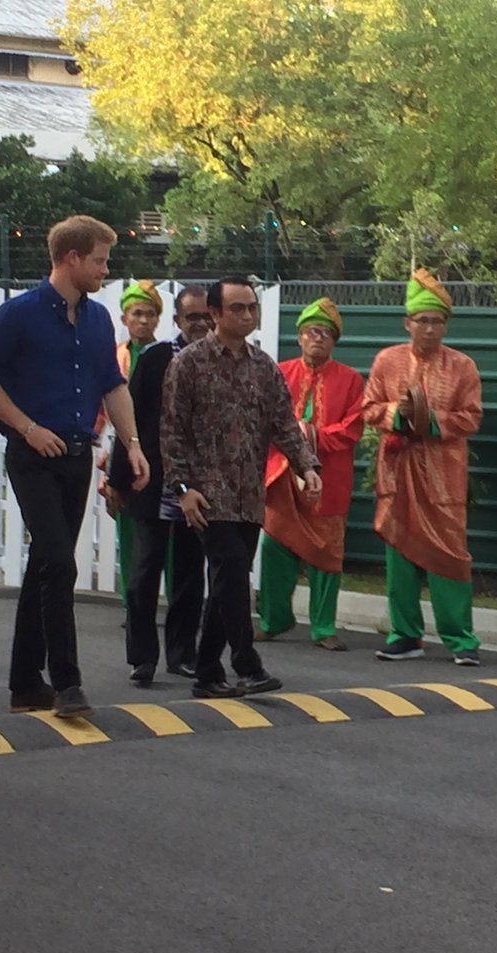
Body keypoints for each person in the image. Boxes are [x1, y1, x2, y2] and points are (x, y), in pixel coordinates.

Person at [0, 214, 149, 719]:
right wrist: (26, 427)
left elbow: (113, 385)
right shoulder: (20, 314)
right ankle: (67, 683)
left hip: (77, 456)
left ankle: (26, 682)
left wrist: (131, 444)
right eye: (99, 260)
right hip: (32, 455)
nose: (104, 270)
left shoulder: (96, 319)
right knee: (59, 560)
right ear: (71, 258)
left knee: (46, 565)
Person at [161, 276, 321, 698]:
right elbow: (172, 433)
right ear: (214, 314)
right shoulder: (188, 364)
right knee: (231, 569)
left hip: (249, 493)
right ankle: (246, 662)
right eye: (237, 308)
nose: (247, 315)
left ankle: (208, 672)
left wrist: (307, 466)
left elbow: (284, 424)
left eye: (251, 307)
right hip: (206, 495)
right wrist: (182, 487)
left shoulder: (263, 366)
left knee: (229, 578)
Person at [362, 269, 483, 665]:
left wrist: (430, 422)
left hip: (443, 476)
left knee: (450, 553)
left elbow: (471, 418)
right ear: (407, 322)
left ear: (445, 325)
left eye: (437, 321)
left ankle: (460, 640)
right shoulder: (387, 360)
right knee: (399, 552)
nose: (429, 329)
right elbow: (369, 408)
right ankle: (405, 635)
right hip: (397, 472)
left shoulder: (463, 366)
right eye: (422, 321)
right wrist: (399, 415)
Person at [108, 285, 212, 685]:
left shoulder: (220, 362)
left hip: (199, 484)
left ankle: (182, 654)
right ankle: (142, 658)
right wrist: (119, 479)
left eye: (206, 316)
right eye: (192, 318)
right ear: (177, 322)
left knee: (189, 572)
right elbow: (128, 423)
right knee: (143, 572)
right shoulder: (155, 359)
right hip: (152, 479)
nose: (200, 324)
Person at [256, 298, 364, 651]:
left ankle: (323, 628)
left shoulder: (350, 380)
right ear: (300, 337)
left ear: (334, 342)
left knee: (327, 552)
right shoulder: (280, 372)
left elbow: (353, 427)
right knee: (274, 545)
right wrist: (292, 441)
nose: (318, 338)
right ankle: (273, 620)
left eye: (326, 334)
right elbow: (263, 419)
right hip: (282, 476)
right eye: (311, 332)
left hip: (329, 478)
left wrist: (312, 436)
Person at [100, 280, 162, 609]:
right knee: (126, 526)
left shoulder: (166, 355)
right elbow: (100, 403)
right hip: (120, 451)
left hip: (156, 453)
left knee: (157, 531)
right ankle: (133, 602)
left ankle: (154, 600)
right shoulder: (114, 356)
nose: (143, 320)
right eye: (137, 313)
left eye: (150, 314)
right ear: (124, 319)